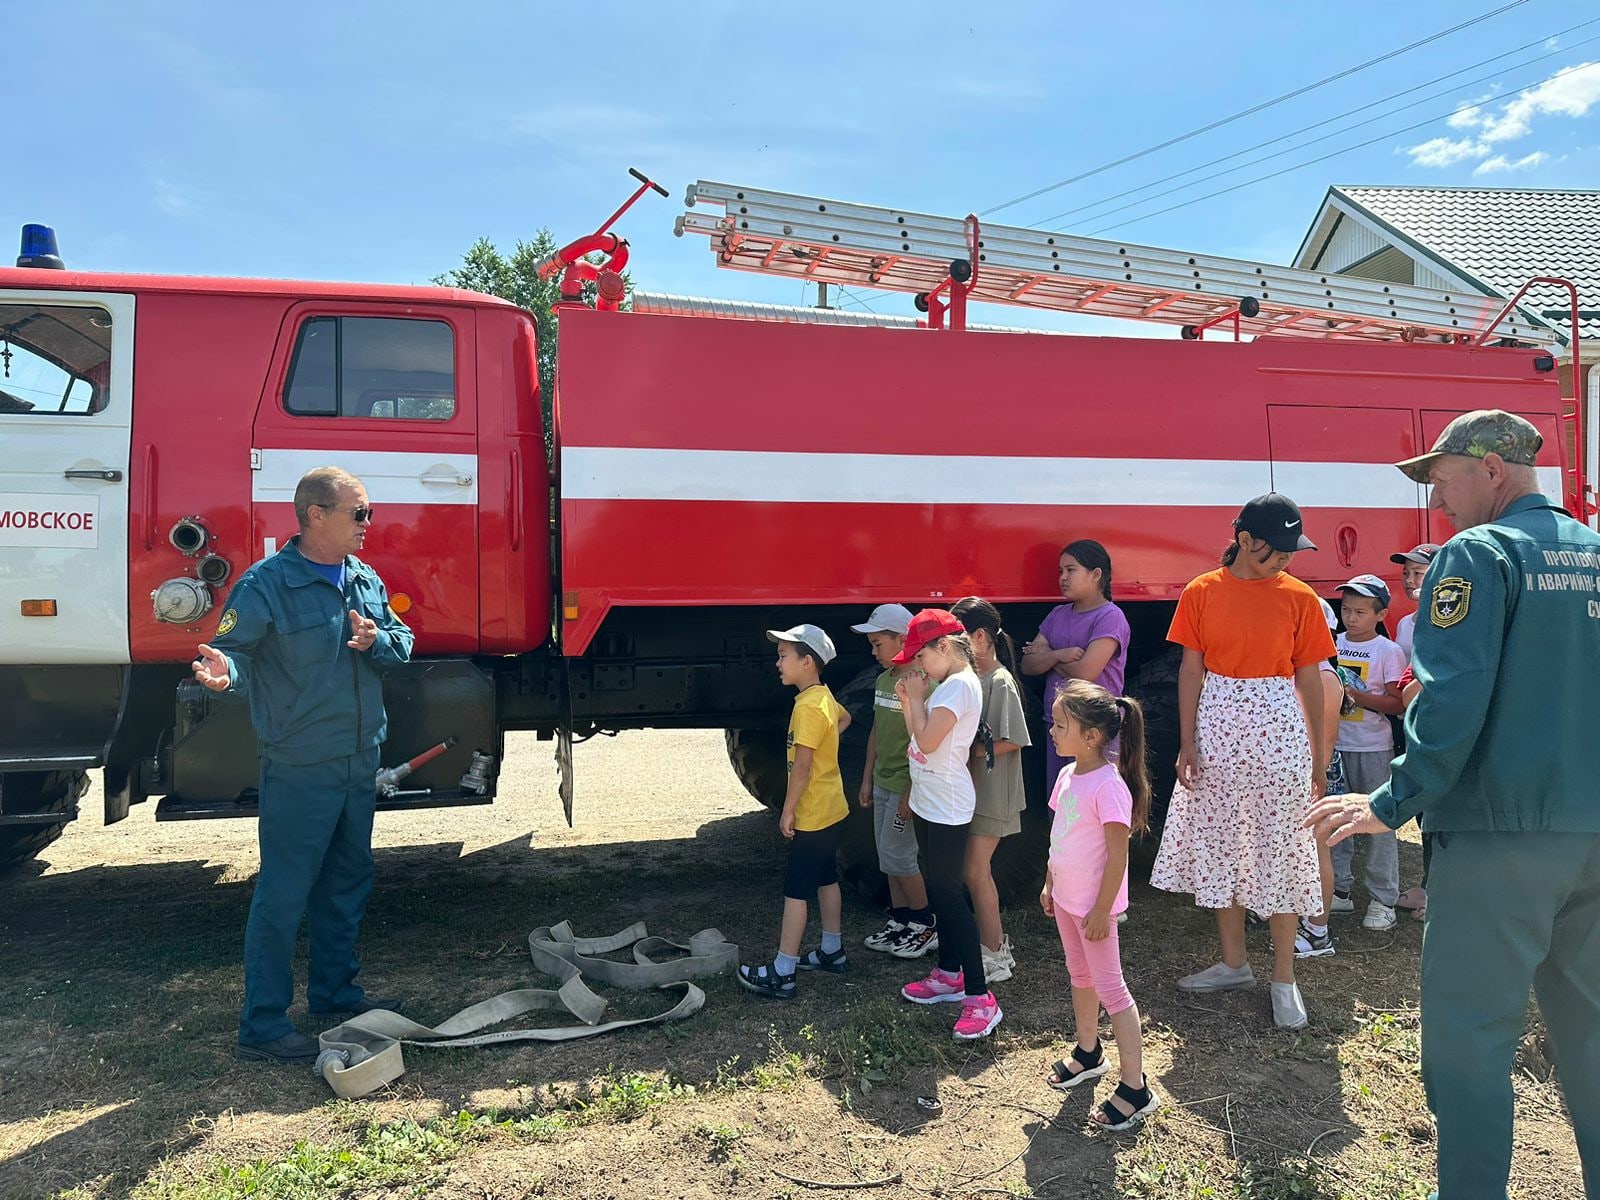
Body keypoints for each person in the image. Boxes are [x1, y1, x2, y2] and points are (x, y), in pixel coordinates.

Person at [1308, 409, 1600, 1200]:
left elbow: (1451, 698)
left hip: (1500, 837)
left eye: (1443, 478)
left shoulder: (1479, 554)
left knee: (1469, 1045)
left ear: (1492, 471)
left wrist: (1392, 799)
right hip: (1592, 836)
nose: (1438, 499)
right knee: (1593, 1038)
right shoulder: (1595, 552)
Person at [192, 467, 413, 1064]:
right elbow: (235, 657)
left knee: (347, 881)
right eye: (359, 513)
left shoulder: (363, 578)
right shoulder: (267, 584)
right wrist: (222, 675)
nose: (369, 524)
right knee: (285, 891)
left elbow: (403, 639)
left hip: (357, 759)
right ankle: (263, 1025)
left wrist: (378, 642)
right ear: (316, 514)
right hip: (300, 764)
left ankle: (335, 995)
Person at [1150, 492, 1334, 1031]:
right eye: (1276, 549)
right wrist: (1187, 740)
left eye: (1291, 550)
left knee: (1282, 848)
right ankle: (1233, 963)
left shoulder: (1299, 597)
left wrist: (1319, 759)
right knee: (1221, 844)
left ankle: (1284, 977)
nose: (1286, 559)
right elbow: (1190, 669)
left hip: (1279, 723)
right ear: (1245, 540)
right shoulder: (1201, 591)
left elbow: (1310, 678)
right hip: (1219, 719)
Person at [1040, 680, 1160, 1132]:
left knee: (1112, 990)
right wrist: (1051, 882)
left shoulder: (1109, 787)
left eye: (1060, 724)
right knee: (1079, 976)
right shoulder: (1068, 775)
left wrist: (1101, 909)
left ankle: (1135, 1087)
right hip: (1068, 902)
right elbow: (1060, 834)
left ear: (1091, 736)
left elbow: (1117, 855)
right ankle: (1089, 1052)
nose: (1053, 731)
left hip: (1094, 909)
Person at [894, 608, 1001, 1040]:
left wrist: (914, 700)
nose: (918, 665)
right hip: (930, 801)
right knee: (943, 892)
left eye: (921, 656)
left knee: (949, 898)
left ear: (943, 647)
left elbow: (927, 740)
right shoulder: (947, 685)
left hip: (947, 806)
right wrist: (909, 701)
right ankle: (950, 974)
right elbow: (918, 742)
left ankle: (981, 997)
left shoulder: (957, 687)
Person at [737, 623, 851, 999]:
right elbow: (844, 719)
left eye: (784, 656)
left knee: (796, 891)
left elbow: (801, 768)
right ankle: (832, 950)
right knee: (826, 877)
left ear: (807, 662)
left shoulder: (807, 708)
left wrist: (787, 811)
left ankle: (783, 971)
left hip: (814, 813)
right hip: (833, 807)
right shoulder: (822, 697)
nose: (778, 663)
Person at [952, 596, 1031, 984]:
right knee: (972, 870)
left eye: (958, 637)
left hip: (994, 791)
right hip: (976, 788)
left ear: (980, 637)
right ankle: (993, 945)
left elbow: (1015, 739)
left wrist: (969, 749)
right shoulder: (973, 678)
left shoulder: (1000, 681)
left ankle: (995, 953)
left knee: (975, 870)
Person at [851, 604, 936, 958]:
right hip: (883, 781)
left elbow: (925, 742)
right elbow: (875, 732)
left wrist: (911, 790)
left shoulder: (923, 685)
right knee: (887, 855)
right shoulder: (884, 680)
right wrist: (867, 777)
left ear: (903, 639)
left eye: (877, 644)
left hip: (905, 784)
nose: (873, 652)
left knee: (901, 856)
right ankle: (900, 921)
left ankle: (925, 925)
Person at [1330, 574, 1407, 932]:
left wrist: (1354, 696)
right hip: (1335, 745)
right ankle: (1339, 889)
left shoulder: (1387, 651)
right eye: (1346, 609)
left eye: (1360, 611)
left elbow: (1396, 703)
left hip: (1373, 748)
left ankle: (1382, 898)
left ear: (1381, 614)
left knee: (1379, 822)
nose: (1351, 617)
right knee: (1334, 821)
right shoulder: (1333, 643)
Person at [1022, 540, 1131, 784]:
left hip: (1094, 727)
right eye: (1061, 571)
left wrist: (1049, 655)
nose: (1063, 577)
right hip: (1058, 725)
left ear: (1096, 574)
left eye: (1071, 570)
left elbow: (1086, 672)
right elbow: (1027, 665)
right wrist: (1058, 655)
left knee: (1092, 804)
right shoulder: (1058, 614)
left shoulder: (1110, 617)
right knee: (1061, 803)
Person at [1295, 598, 1347, 960]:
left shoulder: (1325, 679)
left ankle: (1318, 930)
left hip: (1316, 777)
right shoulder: (1302, 674)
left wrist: (1313, 783)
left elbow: (1324, 741)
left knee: (1316, 852)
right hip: (1298, 775)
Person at [1390, 543, 1440, 661]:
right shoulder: (1404, 623)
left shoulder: (1446, 624)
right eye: (1405, 573)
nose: (1409, 580)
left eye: (1417, 573)